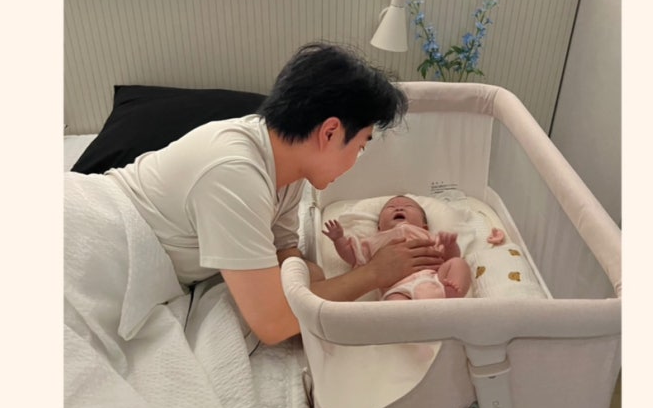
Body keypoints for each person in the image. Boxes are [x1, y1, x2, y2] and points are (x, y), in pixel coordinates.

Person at [103, 42, 446, 344]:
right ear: (330, 133)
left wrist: (309, 275)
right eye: (360, 146)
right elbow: (273, 324)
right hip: (107, 240)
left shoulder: (288, 166)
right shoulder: (234, 173)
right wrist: (373, 274)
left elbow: (285, 250)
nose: (356, 160)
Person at [323, 195, 473, 300]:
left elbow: (449, 258)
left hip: (435, 280)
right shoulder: (373, 241)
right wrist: (339, 239)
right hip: (398, 288)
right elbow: (352, 256)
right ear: (379, 227)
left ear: (424, 226)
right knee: (394, 301)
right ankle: (401, 322)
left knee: (458, 264)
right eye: (391, 207)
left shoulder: (428, 237)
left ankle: (452, 294)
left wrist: (450, 245)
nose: (399, 208)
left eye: (408, 206)